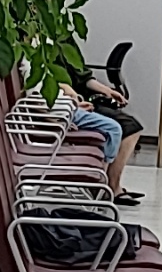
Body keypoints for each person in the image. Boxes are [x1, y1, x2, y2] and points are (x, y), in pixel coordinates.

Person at [58, 53, 145, 206]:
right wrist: (74, 102)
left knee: (131, 126)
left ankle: (110, 185)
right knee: (129, 128)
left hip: (78, 101)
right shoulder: (52, 47)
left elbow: (84, 77)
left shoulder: (64, 44)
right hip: (71, 105)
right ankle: (112, 187)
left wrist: (107, 91)